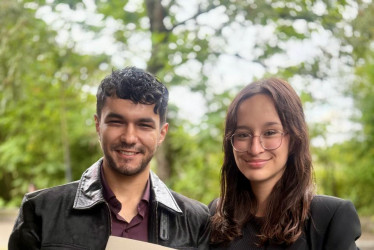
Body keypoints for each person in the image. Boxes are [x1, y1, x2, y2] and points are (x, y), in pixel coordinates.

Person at [9, 67, 210, 250]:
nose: (129, 138)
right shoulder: (40, 211)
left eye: (144, 125)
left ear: (161, 134)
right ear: (98, 125)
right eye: (116, 122)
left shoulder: (195, 220)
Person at [209, 78, 361, 249]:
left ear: (295, 139)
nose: (255, 148)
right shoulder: (216, 214)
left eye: (270, 132)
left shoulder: (330, 217)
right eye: (243, 134)